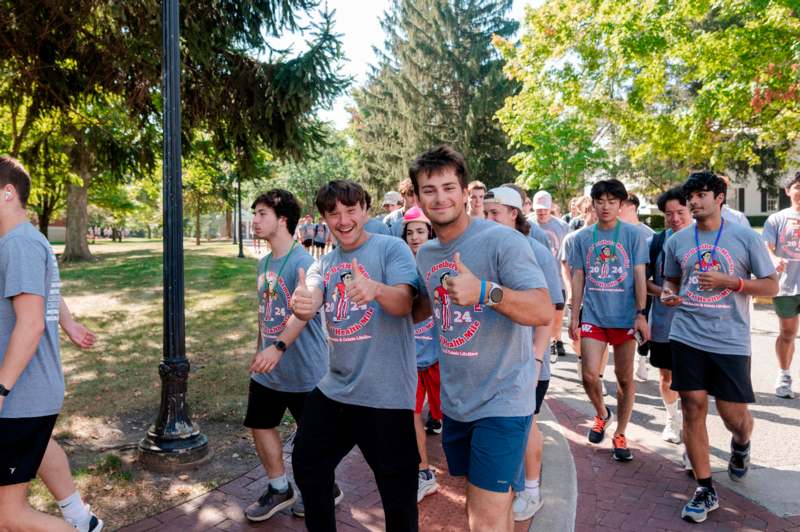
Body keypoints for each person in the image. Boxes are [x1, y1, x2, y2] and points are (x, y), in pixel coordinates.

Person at [411, 146, 553, 532]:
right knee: (493, 508)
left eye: (448, 187)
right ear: (418, 197)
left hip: (504, 398)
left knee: (483, 519)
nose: (440, 198)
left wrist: (486, 292)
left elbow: (543, 310)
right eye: (429, 190)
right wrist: (377, 293)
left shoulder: (501, 242)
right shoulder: (426, 254)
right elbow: (425, 306)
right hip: (459, 401)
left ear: (463, 192)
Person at [290, 180, 420, 531]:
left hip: (386, 394)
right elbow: (313, 296)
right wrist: (304, 305)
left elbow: (406, 303)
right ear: (323, 218)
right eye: (333, 213)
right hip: (337, 389)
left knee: (398, 497)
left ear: (365, 209)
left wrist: (375, 289)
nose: (343, 219)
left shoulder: (391, 249)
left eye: (350, 210)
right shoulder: (326, 262)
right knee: (307, 463)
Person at [660, 171, 777, 523]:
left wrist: (733, 281)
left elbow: (770, 285)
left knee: (732, 416)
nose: (694, 201)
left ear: (720, 198)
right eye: (690, 196)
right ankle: (705, 487)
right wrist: (667, 293)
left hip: (729, 338)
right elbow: (671, 278)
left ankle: (741, 444)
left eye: (701, 195)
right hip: (687, 333)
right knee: (692, 405)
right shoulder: (677, 241)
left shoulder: (744, 237)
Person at [241, 189, 336, 522]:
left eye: (262, 213)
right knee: (260, 424)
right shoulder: (264, 262)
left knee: (313, 442)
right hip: (268, 369)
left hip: (305, 371)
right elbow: (264, 312)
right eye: (255, 213)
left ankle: (328, 488)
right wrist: (260, 349)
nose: (255, 220)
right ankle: (279, 487)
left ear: (283, 220)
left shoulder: (305, 263)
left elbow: (301, 313)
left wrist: (277, 347)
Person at [0, 156, 76, 532]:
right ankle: (82, 518)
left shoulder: (20, 244)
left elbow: (29, 326)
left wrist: (0, 390)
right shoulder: (22, 240)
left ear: (7, 193)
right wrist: (71, 322)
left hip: (20, 397)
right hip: (25, 395)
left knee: (8, 515)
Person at [483, 186, 564, 521]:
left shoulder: (535, 248)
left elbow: (552, 308)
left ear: (514, 214)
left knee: (526, 424)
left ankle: (531, 492)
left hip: (528, 361)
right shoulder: (484, 246)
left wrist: (535, 358)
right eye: (484, 213)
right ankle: (509, 489)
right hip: (494, 360)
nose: (486, 220)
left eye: (494, 214)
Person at [568, 179, 650, 462]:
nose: (605, 207)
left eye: (612, 202)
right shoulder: (581, 238)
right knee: (589, 374)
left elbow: (640, 275)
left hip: (625, 318)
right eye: (600, 201)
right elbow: (578, 276)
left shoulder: (634, 235)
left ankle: (621, 433)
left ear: (621, 204)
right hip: (594, 315)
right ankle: (602, 413)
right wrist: (574, 315)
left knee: (624, 379)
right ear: (593, 203)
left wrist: (641, 314)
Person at [645, 187, 694, 444]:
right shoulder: (655, 242)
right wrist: (661, 291)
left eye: (680, 212)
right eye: (668, 214)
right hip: (664, 323)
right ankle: (672, 419)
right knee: (666, 377)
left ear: (691, 211)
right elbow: (645, 281)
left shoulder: (703, 240)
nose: (675, 218)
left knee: (692, 380)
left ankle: (691, 427)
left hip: (697, 324)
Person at [401, 206, 441, 503]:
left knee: (449, 415)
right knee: (411, 414)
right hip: (411, 358)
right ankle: (423, 472)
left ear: (430, 232)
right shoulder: (398, 267)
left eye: (420, 231)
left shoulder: (441, 262)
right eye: (409, 232)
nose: (415, 237)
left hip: (441, 357)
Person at [762, 171, 800, 398]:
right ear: (788, 190)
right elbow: (766, 247)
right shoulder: (777, 219)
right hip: (786, 285)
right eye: (797, 186)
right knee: (787, 332)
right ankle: (784, 374)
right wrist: (774, 259)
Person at [531, 190, 570, 359]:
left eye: (545, 208)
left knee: (558, 311)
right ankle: (541, 343)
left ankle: (556, 339)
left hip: (557, 276)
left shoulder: (562, 226)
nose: (542, 212)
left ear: (551, 207)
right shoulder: (528, 224)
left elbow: (566, 253)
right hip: (535, 277)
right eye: (539, 208)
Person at [620, 193, 656, 382]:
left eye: (621, 205)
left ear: (632, 207)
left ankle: (642, 358)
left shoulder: (648, 234)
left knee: (643, 324)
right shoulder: (615, 230)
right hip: (621, 289)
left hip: (643, 287)